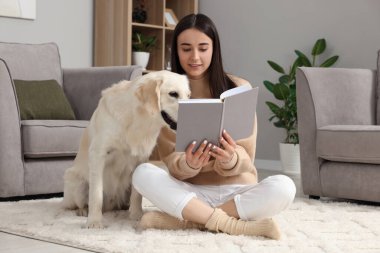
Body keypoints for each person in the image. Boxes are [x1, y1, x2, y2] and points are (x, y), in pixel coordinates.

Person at [132, 13, 296, 240]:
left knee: (284, 187)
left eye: (203, 48)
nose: (195, 57)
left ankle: (190, 221)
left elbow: (247, 156)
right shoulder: (165, 94)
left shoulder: (239, 87)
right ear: (176, 50)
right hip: (191, 192)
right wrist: (189, 164)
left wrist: (231, 159)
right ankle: (233, 225)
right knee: (143, 173)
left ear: (214, 49)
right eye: (186, 48)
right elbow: (170, 159)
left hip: (237, 191)